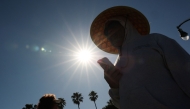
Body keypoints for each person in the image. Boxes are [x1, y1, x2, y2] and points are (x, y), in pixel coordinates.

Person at [90, 6, 190, 109]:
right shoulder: (116, 65)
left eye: (113, 26)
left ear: (125, 24)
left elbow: (186, 70)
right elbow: (121, 104)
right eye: (106, 32)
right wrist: (114, 86)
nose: (109, 32)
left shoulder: (155, 40)